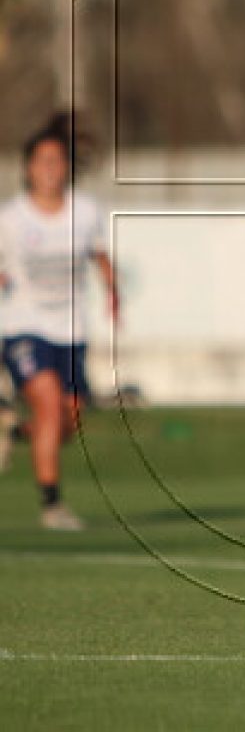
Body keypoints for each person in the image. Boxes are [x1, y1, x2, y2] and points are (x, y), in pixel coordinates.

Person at [0, 113, 118, 530]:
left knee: (68, 422)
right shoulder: (11, 218)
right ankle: (52, 505)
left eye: (57, 161)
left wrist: (113, 293)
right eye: (43, 161)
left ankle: (14, 433)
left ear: (67, 167)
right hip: (24, 327)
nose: (50, 169)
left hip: (71, 329)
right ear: (28, 168)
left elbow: (100, 255)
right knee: (48, 403)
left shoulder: (85, 212)